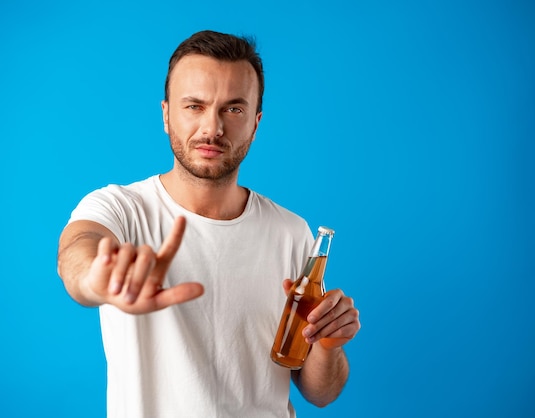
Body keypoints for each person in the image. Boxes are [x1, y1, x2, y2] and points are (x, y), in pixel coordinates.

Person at [57, 29, 360, 417]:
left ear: (255, 122)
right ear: (166, 115)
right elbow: (78, 246)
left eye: (233, 109)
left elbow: (320, 393)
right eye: (194, 106)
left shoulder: (292, 233)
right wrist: (95, 277)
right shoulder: (121, 208)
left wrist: (330, 342)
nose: (212, 128)